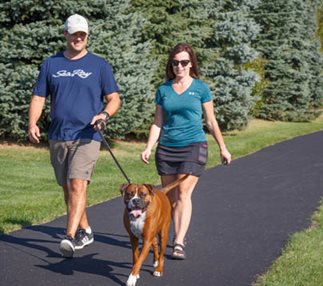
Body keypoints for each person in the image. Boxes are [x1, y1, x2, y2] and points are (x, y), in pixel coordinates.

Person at [28, 14, 121, 258]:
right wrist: (32, 123)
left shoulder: (99, 65)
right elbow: (39, 97)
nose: (78, 38)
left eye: (83, 34)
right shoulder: (51, 64)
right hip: (58, 135)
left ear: (87, 36)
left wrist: (103, 115)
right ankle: (86, 230)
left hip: (88, 135)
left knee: (78, 183)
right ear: (66, 35)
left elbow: (114, 99)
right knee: (68, 187)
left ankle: (69, 237)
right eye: (74, 34)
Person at [141, 43, 232, 260]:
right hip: (166, 149)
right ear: (171, 65)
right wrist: (149, 146)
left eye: (184, 62)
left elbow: (210, 121)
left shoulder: (200, 88)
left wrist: (223, 147)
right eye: (175, 63)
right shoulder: (163, 90)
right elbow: (158, 122)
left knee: (183, 193)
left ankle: (178, 241)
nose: (179, 66)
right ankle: (168, 233)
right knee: (169, 198)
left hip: (193, 146)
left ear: (191, 64)